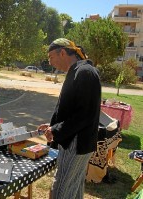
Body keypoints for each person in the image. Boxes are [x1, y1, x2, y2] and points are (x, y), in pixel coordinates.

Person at [37, 38, 101, 199]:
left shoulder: (85, 72)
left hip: (76, 143)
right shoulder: (78, 71)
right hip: (74, 140)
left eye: (51, 57)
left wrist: (56, 129)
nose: (50, 62)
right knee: (74, 188)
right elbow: (72, 109)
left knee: (60, 191)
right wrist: (53, 125)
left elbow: (84, 115)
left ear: (63, 52)